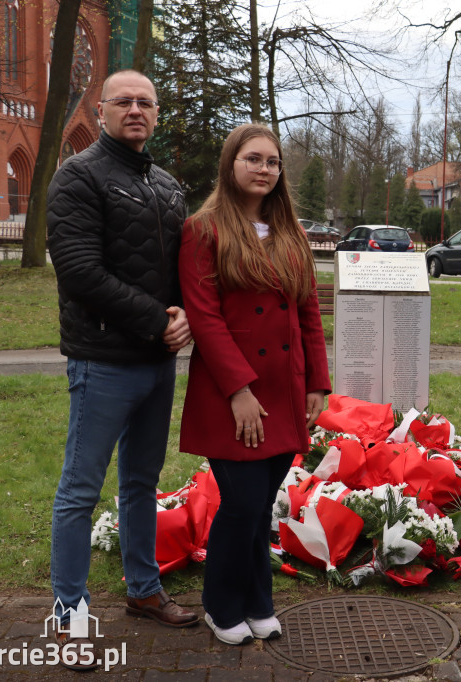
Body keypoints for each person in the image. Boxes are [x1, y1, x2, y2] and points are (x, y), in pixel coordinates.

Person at [47, 69, 198, 670]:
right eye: (123, 101)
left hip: (155, 364)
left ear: (156, 113)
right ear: (102, 109)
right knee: (79, 491)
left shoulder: (165, 185)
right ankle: (68, 616)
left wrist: (184, 311)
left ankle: (143, 590)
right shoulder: (78, 177)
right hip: (104, 360)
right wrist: (155, 320)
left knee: (141, 484)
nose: (135, 109)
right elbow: (80, 271)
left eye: (145, 102)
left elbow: (178, 269)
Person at [178, 123, 330, 646]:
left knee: (261, 507)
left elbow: (308, 312)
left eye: (272, 161)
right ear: (231, 164)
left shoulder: (291, 231)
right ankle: (222, 606)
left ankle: (258, 601)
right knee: (241, 503)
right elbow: (204, 318)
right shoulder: (203, 230)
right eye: (253, 159)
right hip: (232, 392)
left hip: (285, 389)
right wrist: (239, 392)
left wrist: (317, 383)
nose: (264, 169)